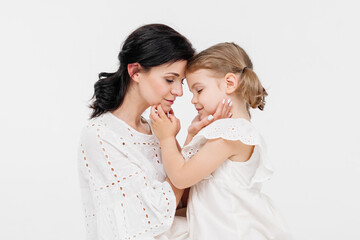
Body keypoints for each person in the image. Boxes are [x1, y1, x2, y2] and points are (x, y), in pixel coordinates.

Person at [150, 42, 291, 239]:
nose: (193, 99)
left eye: (198, 90)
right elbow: (192, 192)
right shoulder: (227, 132)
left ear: (230, 83)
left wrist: (166, 137)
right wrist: (192, 136)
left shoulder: (231, 134)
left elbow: (181, 177)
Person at [77, 24, 197, 240]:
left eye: (182, 82)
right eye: (170, 79)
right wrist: (169, 140)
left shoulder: (157, 129)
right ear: (135, 71)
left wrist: (187, 141)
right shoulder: (100, 135)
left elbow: (186, 201)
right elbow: (149, 216)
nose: (179, 91)